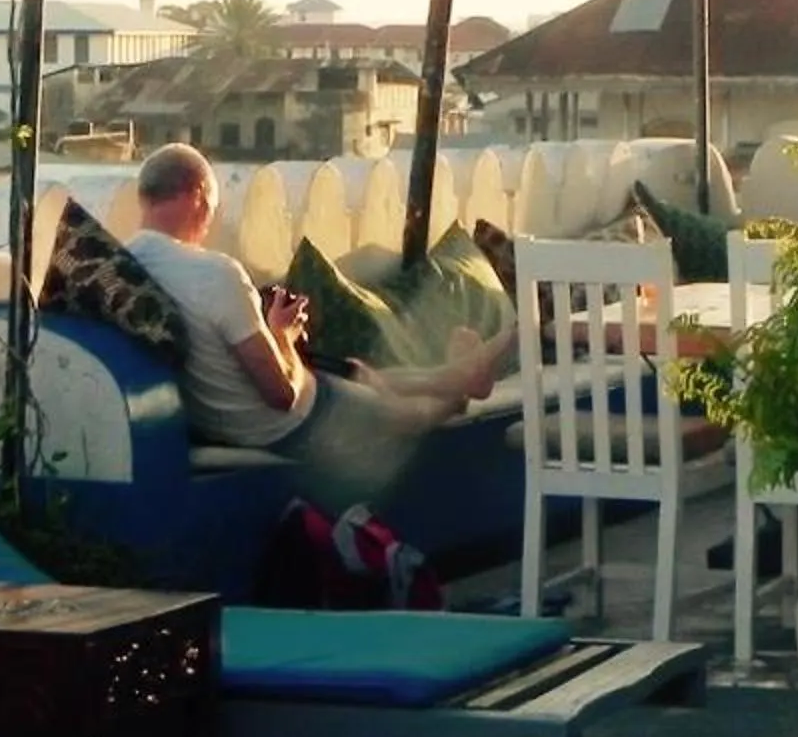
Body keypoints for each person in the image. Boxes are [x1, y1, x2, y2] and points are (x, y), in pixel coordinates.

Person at [123, 143, 511, 507]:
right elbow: (282, 395)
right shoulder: (214, 274)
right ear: (198, 195)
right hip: (286, 425)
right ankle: (466, 385)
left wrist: (276, 335)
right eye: (212, 207)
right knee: (405, 414)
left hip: (226, 418)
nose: (209, 224)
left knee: (362, 375)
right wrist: (283, 336)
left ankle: (457, 374)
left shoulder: (125, 269)